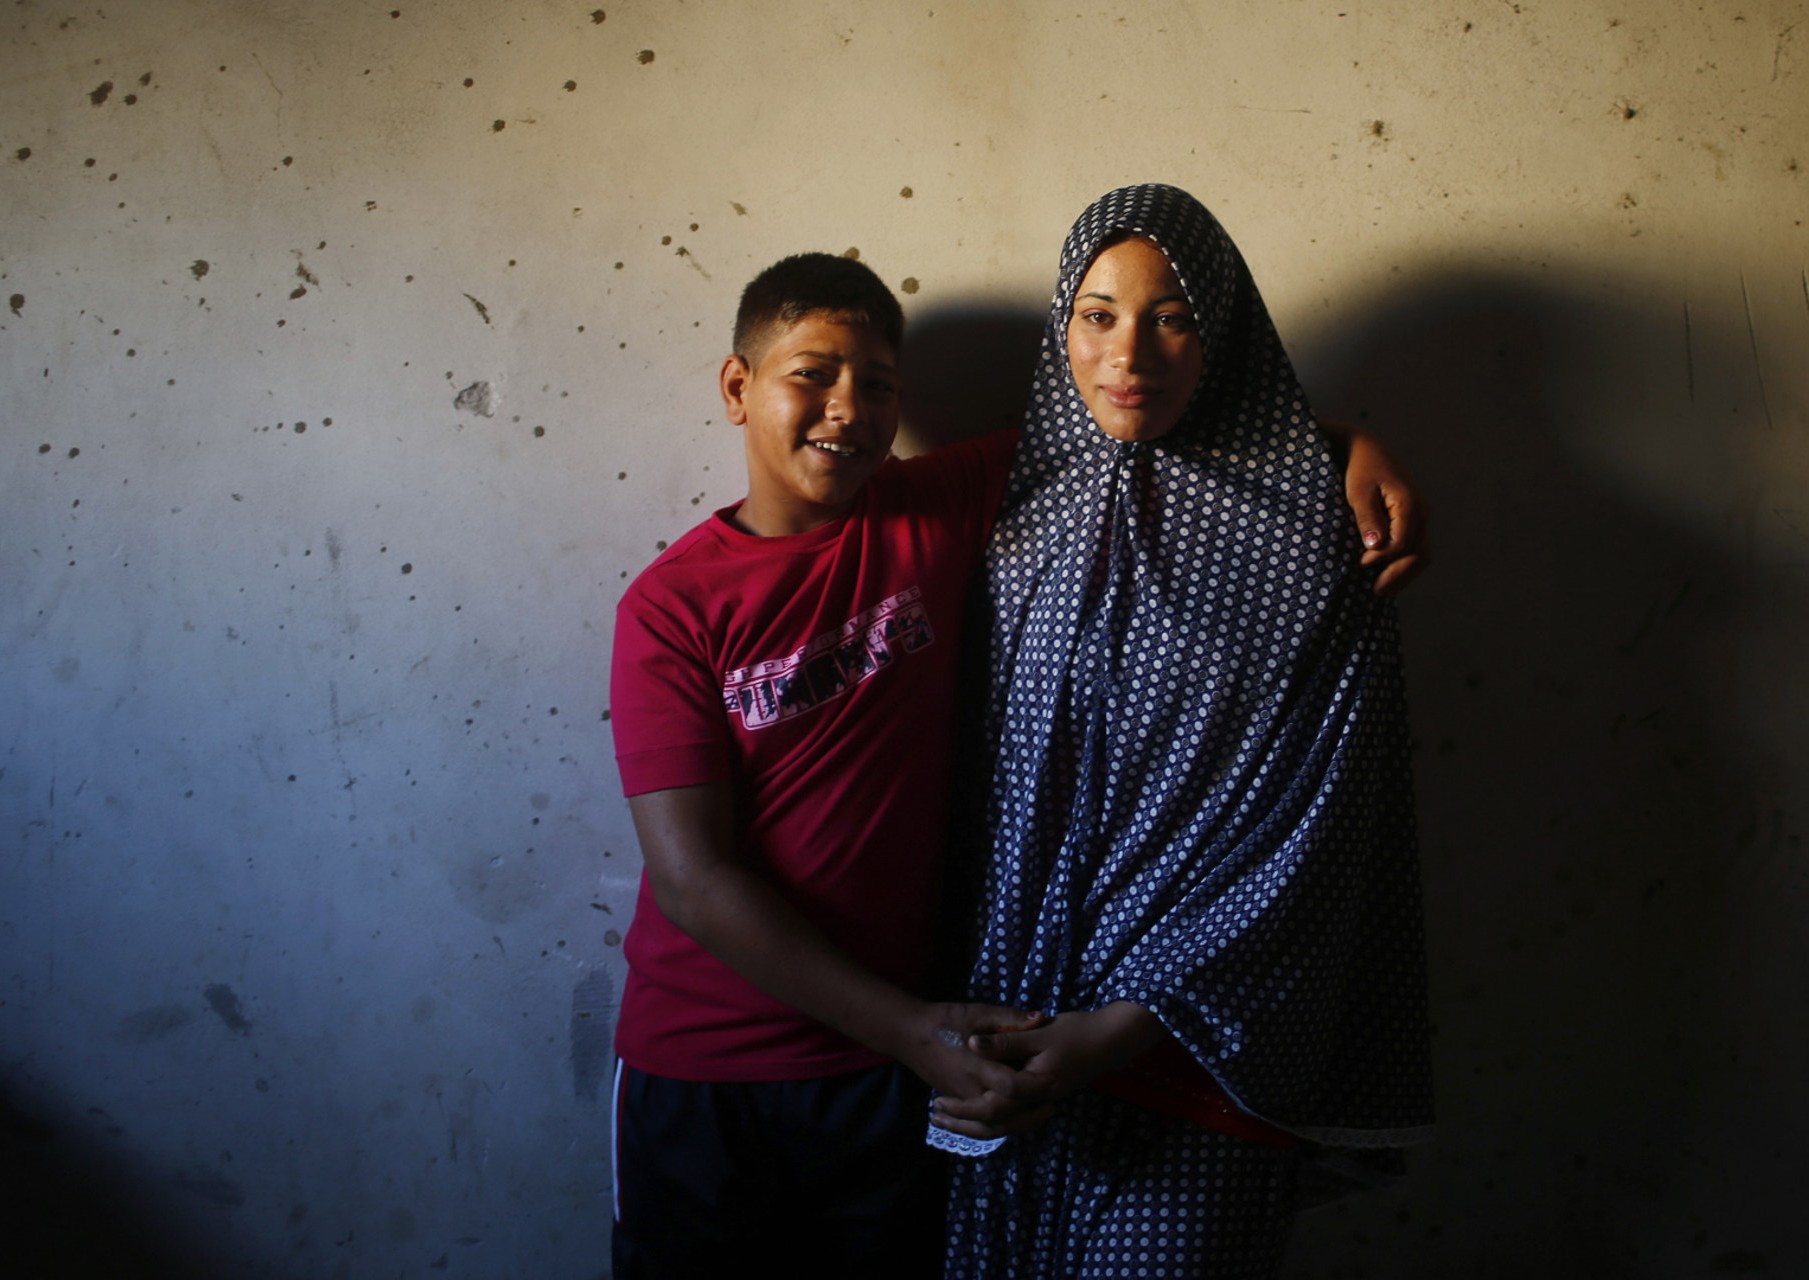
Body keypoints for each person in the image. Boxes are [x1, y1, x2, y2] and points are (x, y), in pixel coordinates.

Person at [607, 248, 1423, 1278]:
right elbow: (691, 877)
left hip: (896, 1063)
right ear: (738, 386)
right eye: (812, 372)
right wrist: (908, 1028)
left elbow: (1149, 419)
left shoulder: (936, 505)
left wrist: (1347, 441)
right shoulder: (674, 606)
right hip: (711, 1061)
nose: (846, 408)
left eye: (878, 385)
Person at [931, 184, 1435, 1279]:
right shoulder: (1021, 518)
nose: (1132, 352)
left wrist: (1129, 1022)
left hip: (1203, 1048)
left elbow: (1328, 824)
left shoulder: (1321, 540)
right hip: (1016, 1039)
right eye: (1099, 312)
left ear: (1227, 330)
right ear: (1061, 324)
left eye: (1175, 317)